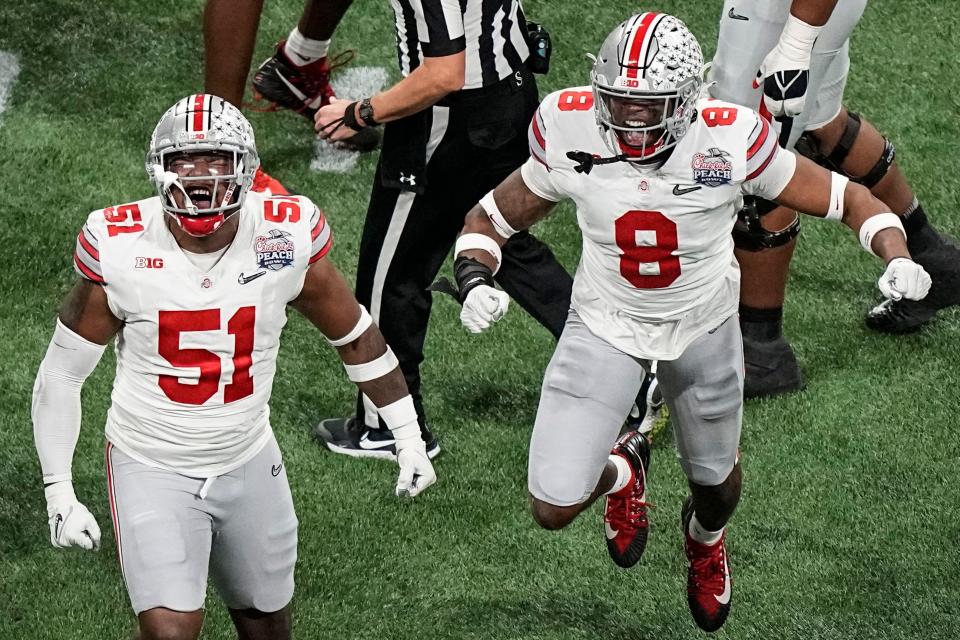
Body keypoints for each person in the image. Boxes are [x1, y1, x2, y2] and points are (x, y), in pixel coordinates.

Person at [450, 13, 930, 631]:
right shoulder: (568, 126)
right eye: (618, 102)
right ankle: (624, 467)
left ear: (685, 102)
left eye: (647, 107)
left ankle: (703, 540)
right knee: (552, 505)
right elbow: (489, 220)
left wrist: (897, 256)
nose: (628, 120)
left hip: (702, 322)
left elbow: (849, 198)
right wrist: (473, 278)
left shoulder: (730, 138)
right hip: (605, 320)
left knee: (716, 488)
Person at [31, 95, 435, 640]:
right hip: (150, 462)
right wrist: (59, 489)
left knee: (267, 626)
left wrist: (406, 434)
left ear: (245, 167)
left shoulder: (285, 236)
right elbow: (63, 373)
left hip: (247, 457)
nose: (198, 176)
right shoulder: (119, 245)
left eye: (216, 159)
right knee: (170, 631)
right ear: (159, 168)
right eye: (183, 161)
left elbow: (355, 335)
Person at [304, 0, 576, 459]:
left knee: (392, 274)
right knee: (499, 236)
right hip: (509, 89)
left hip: (447, 117)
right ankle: (621, 369)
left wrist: (360, 113)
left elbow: (442, 74)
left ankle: (388, 424)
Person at [710, 0, 960, 397]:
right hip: (805, 13)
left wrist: (796, 41)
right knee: (819, 122)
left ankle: (762, 352)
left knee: (750, 158)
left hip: (789, 13)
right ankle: (933, 257)